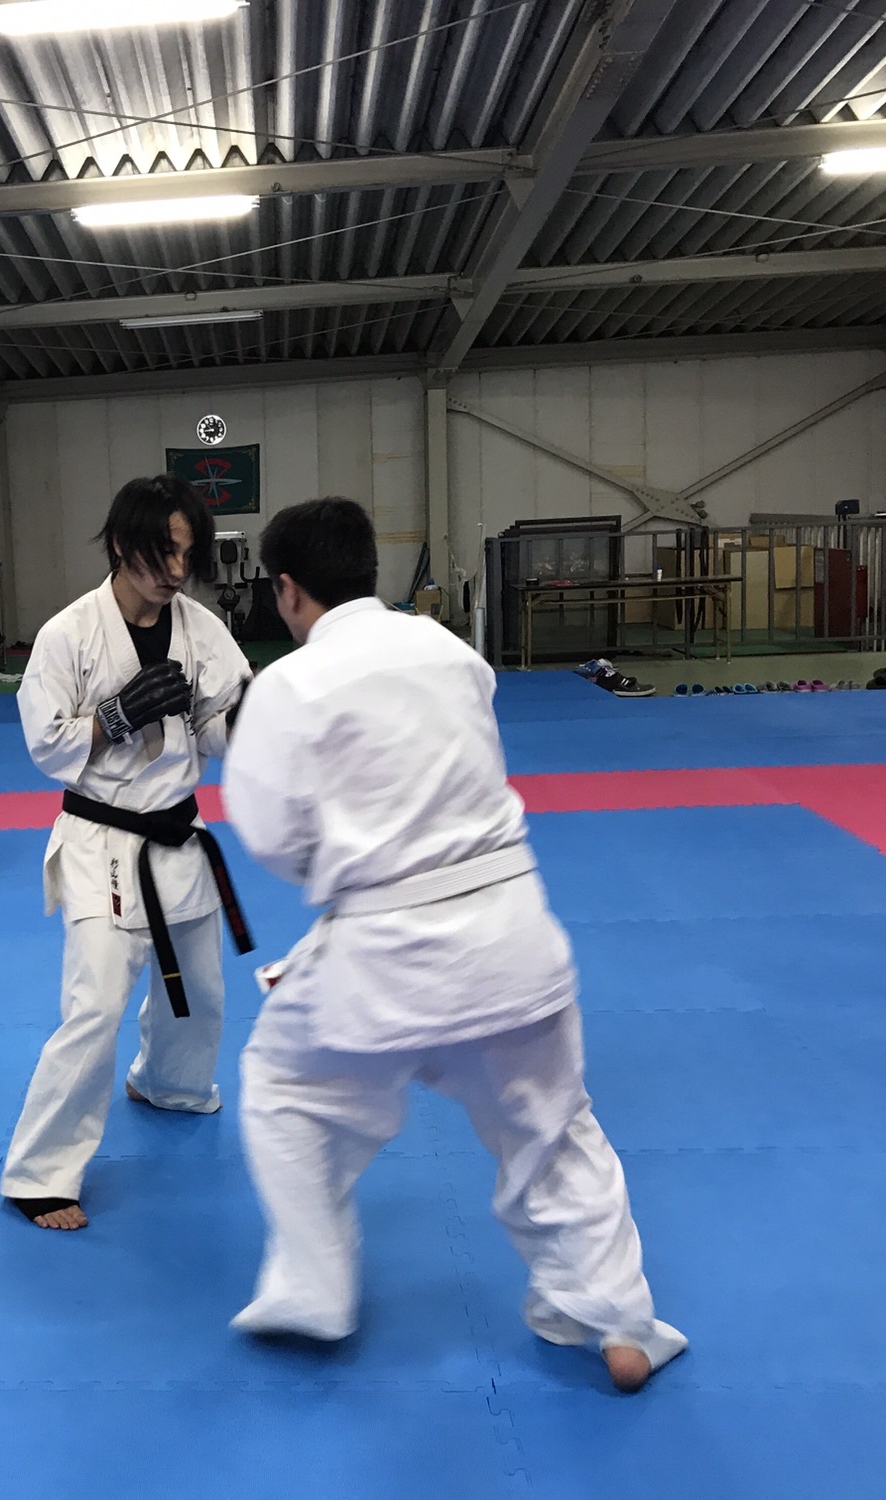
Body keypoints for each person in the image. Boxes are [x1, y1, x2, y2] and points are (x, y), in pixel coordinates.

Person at [222, 498, 686, 1393]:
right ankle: (618, 1321)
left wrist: (343, 866)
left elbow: (272, 834)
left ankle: (314, 1291)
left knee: (287, 1088)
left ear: (287, 589)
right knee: (553, 1129)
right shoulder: (448, 650)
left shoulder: (288, 685)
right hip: (512, 934)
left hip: (384, 959)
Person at [1, 474, 255, 1231]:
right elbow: (44, 744)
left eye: (186, 555)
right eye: (161, 553)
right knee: (96, 1007)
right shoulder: (69, 635)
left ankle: (167, 1083)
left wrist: (253, 717)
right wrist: (113, 717)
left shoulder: (202, 629)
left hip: (178, 834)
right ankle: (39, 1172)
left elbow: (214, 725)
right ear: (120, 545)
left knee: (201, 994)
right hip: (101, 840)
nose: (176, 570)